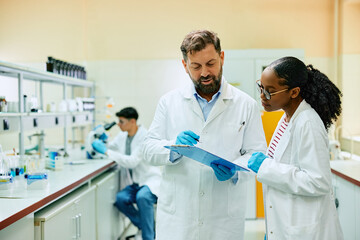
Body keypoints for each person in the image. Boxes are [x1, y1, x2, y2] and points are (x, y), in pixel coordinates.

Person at [142, 30, 267, 240]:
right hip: (178, 219)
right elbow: (148, 149)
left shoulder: (246, 105)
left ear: (222, 57)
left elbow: (258, 153)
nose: (205, 73)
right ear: (185, 66)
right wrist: (174, 147)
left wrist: (235, 170)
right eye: (196, 66)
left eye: (210, 63)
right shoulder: (169, 102)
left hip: (222, 219)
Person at [247, 56, 344, 240]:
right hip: (286, 226)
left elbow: (318, 181)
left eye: (270, 92)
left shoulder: (308, 122)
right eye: (261, 88)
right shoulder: (288, 118)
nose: (262, 96)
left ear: (294, 92)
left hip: (306, 231)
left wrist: (266, 167)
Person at [92, 107, 161, 240]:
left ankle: (148, 236)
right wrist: (103, 142)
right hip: (136, 182)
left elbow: (132, 161)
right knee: (121, 199)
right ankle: (146, 227)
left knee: (142, 197)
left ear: (132, 122)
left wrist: (106, 152)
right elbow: (112, 146)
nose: (118, 124)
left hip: (149, 181)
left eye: (121, 122)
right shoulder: (123, 135)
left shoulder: (145, 137)